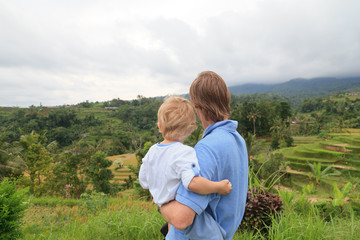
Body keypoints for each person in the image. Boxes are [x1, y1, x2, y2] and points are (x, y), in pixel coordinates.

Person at [159, 71, 249, 240]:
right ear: (226, 100)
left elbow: (181, 218)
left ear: (197, 106)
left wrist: (160, 202)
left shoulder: (206, 149)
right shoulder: (238, 141)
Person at [138, 96, 233, 234]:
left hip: (166, 207)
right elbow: (192, 183)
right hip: (183, 214)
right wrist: (219, 187)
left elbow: (144, 181)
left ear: (159, 126)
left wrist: (159, 193)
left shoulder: (151, 151)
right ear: (191, 128)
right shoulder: (184, 153)